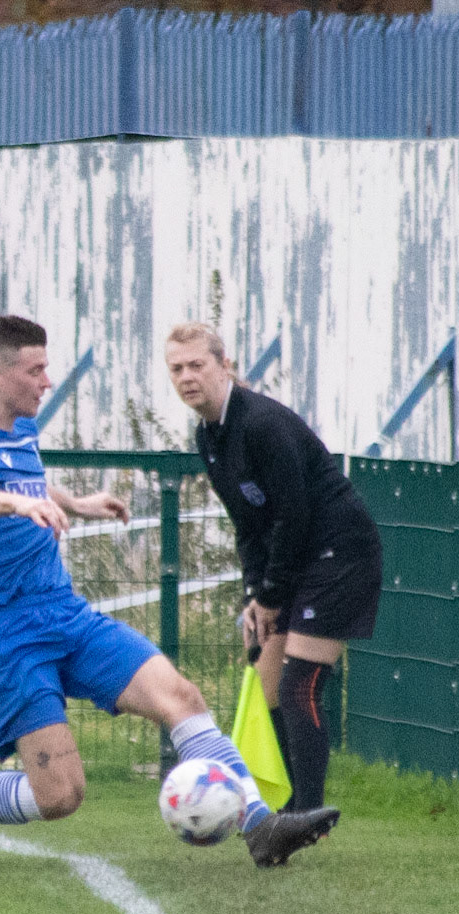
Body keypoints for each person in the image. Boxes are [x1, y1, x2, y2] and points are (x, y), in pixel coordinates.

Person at [0, 314, 339, 870]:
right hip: (5, 631)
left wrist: (73, 502)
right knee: (60, 795)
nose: (47, 381)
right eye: (35, 371)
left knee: (181, 697)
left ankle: (260, 826)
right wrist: (20, 504)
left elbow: (20, 478)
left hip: (64, 613)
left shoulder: (19, 431)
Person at [164, 321, 382, 813]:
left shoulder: (261, 423)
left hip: (339, 553)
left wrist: (271, 595)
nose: (187, 377)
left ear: (225, 366)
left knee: (299, 684)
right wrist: (254, 597)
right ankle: (282, 810)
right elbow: (248, 525)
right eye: (176, 369)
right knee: (266, 687)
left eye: (197, 365)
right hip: (296, 557)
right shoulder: (208, 436)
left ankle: (307, 815)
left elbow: (293, 514)